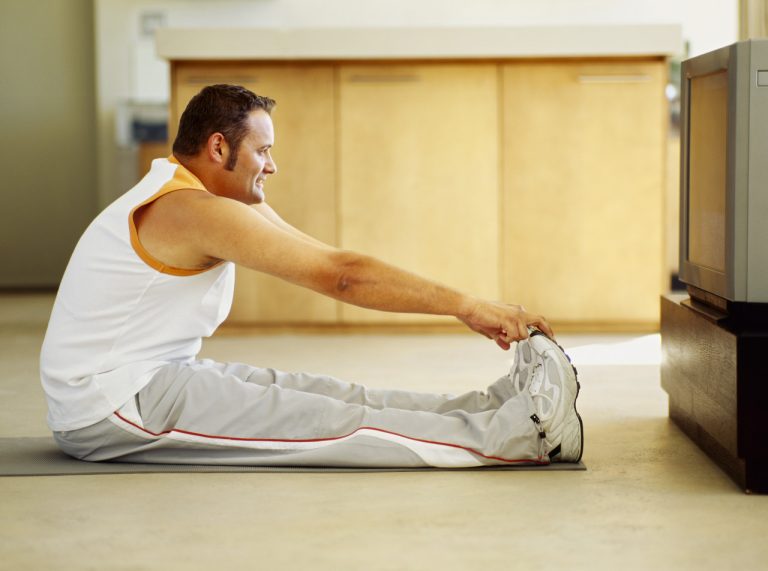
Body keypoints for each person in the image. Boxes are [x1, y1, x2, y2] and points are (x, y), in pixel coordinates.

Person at [40, 84, 582, 468]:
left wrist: (471, 302)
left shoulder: (199, 192)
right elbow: (340, 278)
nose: (272, 166)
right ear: (219, 147)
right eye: (264, 150)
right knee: (324, 420)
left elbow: (329, 257)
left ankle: (491, 407)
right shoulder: (188, 208)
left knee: (331, 393)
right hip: (111, 405)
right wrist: (471, 306)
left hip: (149, 378)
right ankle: (527, 437)